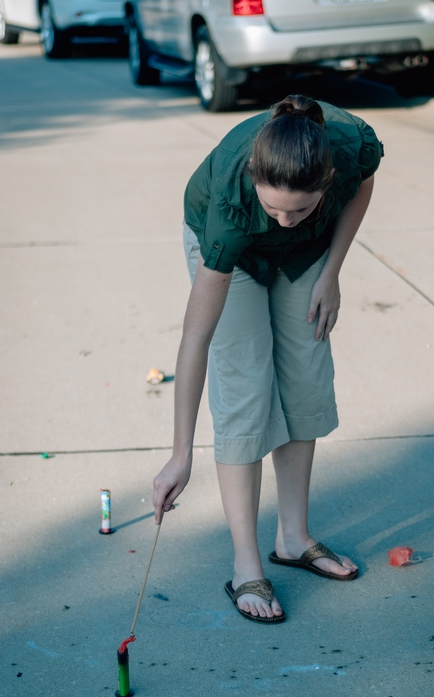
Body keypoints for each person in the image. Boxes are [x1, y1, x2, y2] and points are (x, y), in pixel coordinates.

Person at [153, 95, 383, 624]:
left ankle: (293, 537)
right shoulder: (231, 207)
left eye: (298, 207)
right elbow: (195, 338)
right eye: (273, 205)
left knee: (305, 377)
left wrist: (333, 272)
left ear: (326, 179)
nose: (282, 219)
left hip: (307, 256)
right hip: (232, 261)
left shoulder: (348, 145)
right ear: (255, 175)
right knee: (244, 390)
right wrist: (180, 453)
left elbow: (364, 183)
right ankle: (246, 564)